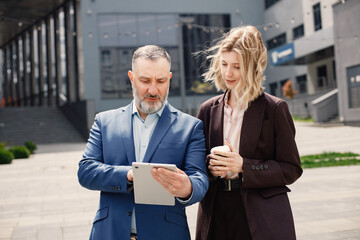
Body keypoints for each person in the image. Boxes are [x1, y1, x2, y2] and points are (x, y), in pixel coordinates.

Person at [78, 45, 209, 240]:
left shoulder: (190, 127)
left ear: (169, 80)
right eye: (145, 80)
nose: (153, 89)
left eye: (161, 81)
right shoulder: (104, 122)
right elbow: (86, 171)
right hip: (110, 233)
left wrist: (187, 187)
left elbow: (200, 178)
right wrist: (130, 175)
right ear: (132, 78)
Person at [195, 26, 303, 240]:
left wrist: (243, 166)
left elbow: (291, 169)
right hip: (215, 211)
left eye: (237, 66)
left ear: (253, 68)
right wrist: (210, 167)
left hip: (260, 214)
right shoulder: (207, 109)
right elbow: (196, 165)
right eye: (224, 64)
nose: (228, 73)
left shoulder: (274, 109)